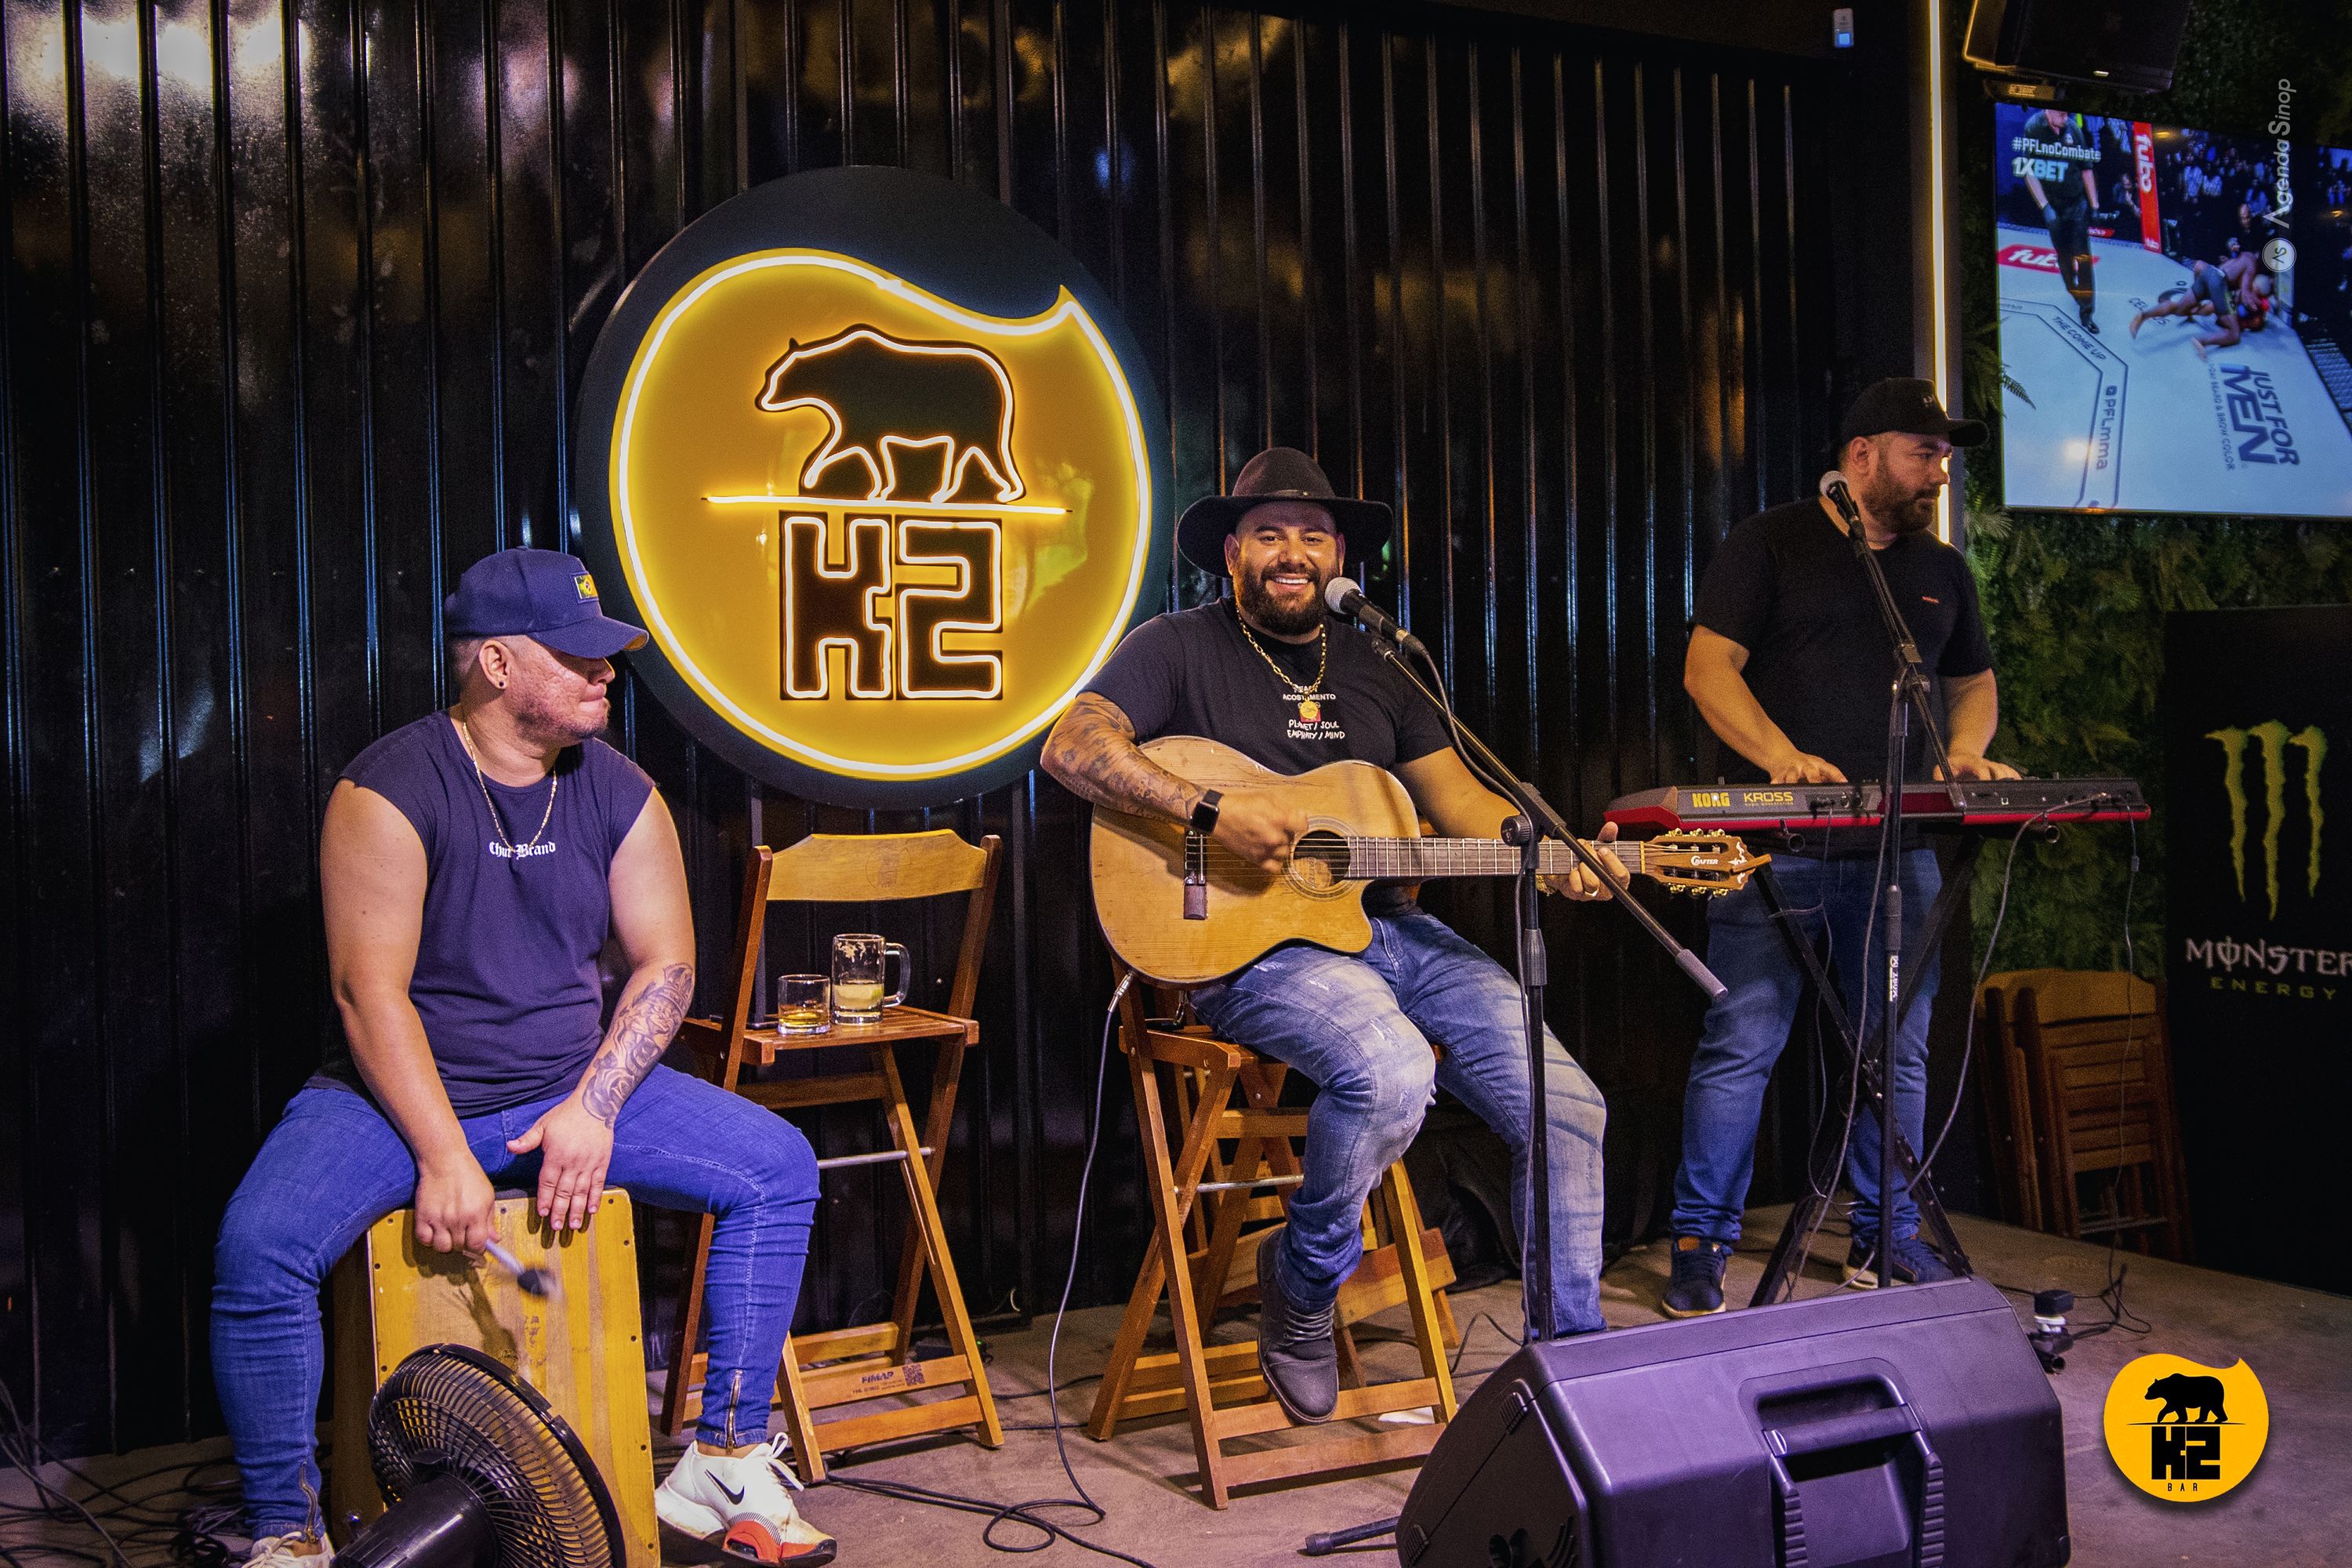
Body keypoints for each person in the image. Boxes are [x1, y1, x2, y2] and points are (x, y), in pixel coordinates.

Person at [210, 550, 834, 1566]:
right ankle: (287, 1532)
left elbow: (667, 965)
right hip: (400, 1097)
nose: (605, 672)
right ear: (496, 663)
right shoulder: (388, 787)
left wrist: (594, 1105)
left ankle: (723, 1459)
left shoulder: (620, 790)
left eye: (607, 654)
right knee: (259, 1249)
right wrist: (442, 1152)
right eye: (576, 654)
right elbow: (369, 995)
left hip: (562, 1085)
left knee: (775, 1166)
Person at [1040, 448, 1624, 1419]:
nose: (1293, 552)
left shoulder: (1380, 663)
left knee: (1568, 1104)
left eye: (1313, 535)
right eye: (1268, 533)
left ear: (1340, 556)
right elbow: (1071, 743)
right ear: (1232, 552)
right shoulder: (1176, 645)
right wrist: (1208, 810)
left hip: (1393, 931)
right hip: (1251, 949)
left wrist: (1555, 854)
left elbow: (1462, 801)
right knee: (1393, 1069)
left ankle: (1572, 1369)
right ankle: (1304, 1279)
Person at [1660, 381, 2020, 1319]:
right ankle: (1699, 1242)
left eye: (1945, 456)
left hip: (1899, 847)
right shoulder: (1771, 542)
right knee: (1744, 1038)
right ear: (1861, 455)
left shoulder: (1939, 568)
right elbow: (1708, 668)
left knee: (1897, 1048)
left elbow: (1972, 678)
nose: (1939, 470)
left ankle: (1884, 1235)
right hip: (1777, 847)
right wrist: (1780, 757)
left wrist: (1966, 750)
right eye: (1922, 451)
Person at [2019, 108, 2101, 332]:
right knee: (2064, 256)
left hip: (2077, 203)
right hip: (2054, 203)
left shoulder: (2074, 130)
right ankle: (2072, 288)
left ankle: (2087, 312)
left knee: (2083, 257)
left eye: (2067, 114)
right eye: (2061, 114)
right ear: (2049, 112)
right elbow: (2028, 170)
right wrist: (2044, 206)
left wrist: (2094, 205)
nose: (2066, 118)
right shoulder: (2034, 128)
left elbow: (2086, 169)